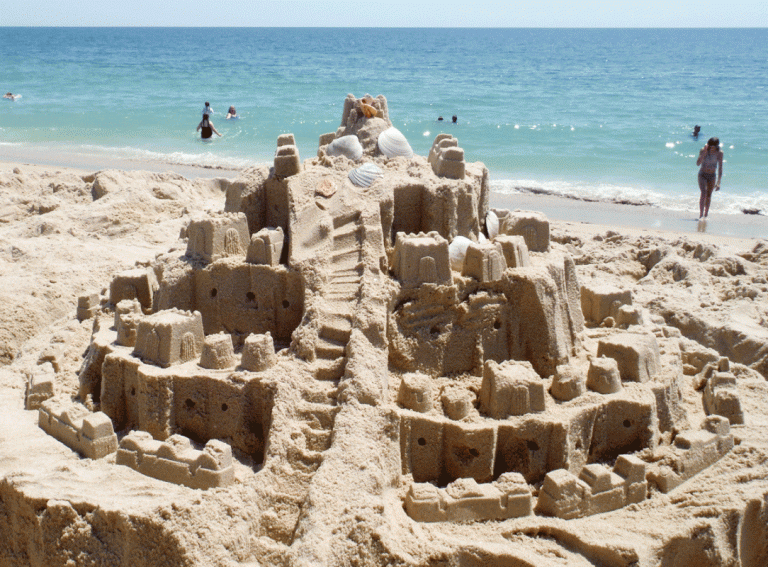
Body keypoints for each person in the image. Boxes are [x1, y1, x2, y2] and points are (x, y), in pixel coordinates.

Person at [696, 137, 723, 219]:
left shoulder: (719, 153)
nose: (711, 148)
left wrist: (718, 182)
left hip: (712, 176)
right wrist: (704, 153)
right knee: (703, 193)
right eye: (710, 146)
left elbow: (720, 168)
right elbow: (698, 163)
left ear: (716, 146)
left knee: (708, 195)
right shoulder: (703, 150)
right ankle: (700, 214)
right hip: (702, 174)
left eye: (713, 147)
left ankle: (706, 214)